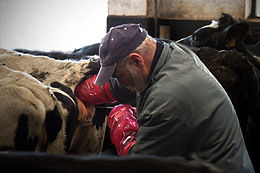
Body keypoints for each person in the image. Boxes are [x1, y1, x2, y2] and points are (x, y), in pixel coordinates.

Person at [75, 24, 254, 173]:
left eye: (118, 76)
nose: (120, 83)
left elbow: (140, 164)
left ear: (137, 60)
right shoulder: (170, 52)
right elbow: (131, 79)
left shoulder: (168, 100)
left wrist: (122, 123)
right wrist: (83, 94)